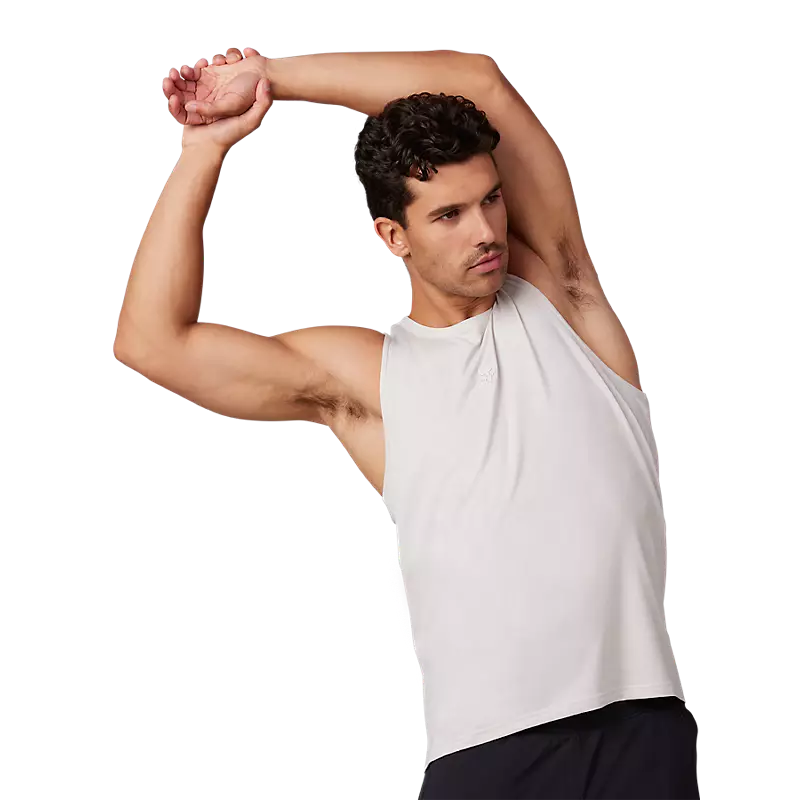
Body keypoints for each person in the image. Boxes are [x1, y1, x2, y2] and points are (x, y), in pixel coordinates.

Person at [115, 46, 700, 799]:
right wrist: (204, 149)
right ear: (395, 236)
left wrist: (273, 78)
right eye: (448, 215)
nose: (485, 231)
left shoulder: (565, 298)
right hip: (489, 754)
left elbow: (478, 81)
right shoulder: (369, 379)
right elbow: (151, 341)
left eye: (491, 200)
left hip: (641, 732)